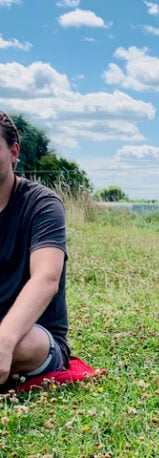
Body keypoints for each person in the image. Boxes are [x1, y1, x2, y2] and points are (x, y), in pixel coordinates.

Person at [0, 111, 70, 392]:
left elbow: (46, 279)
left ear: (14, 152)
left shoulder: (42, 204)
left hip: (32, 335)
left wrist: (4, 339)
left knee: (23, 342)